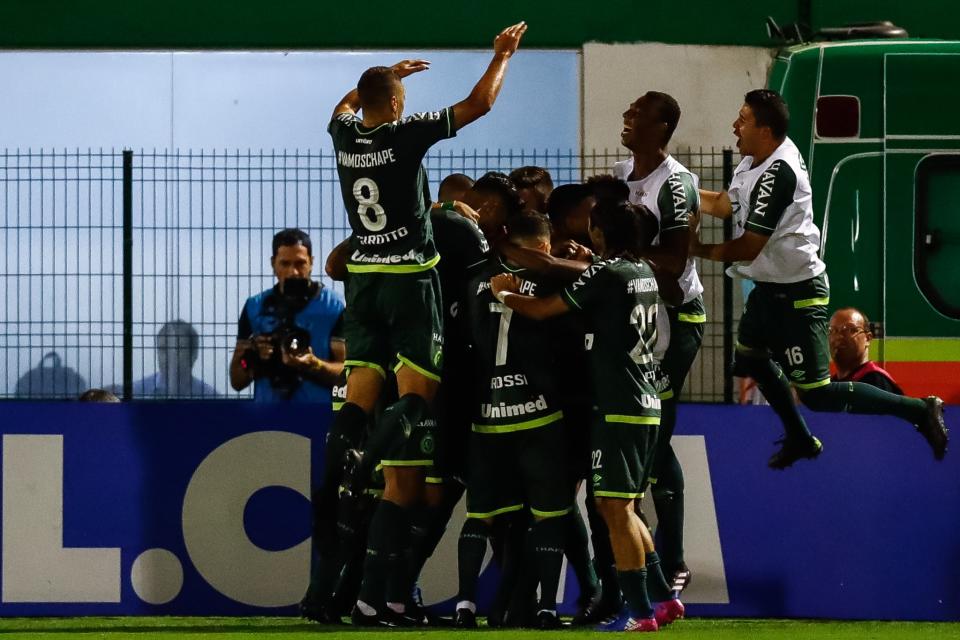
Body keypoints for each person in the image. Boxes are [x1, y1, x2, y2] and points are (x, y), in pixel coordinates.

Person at [326, 21, 528, 626]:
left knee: (364, 408)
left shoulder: (341, 134)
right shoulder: (404, 135)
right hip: (409, 281)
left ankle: (348, 473)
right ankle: (369, 462)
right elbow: (479, 104)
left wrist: (380, 77)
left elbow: (342, 105)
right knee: (418, 399)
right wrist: (502, 56)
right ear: (392, 106)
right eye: (400, 99)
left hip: (364, 281)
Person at [692, 89, 948, 466]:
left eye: (742, 119)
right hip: (769, 288)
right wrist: (681, 188)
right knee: (749, 357)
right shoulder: (752, 161)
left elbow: (749, 247)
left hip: (798, 295)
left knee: (817, 393)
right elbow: (725, 204)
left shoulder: (779, 171)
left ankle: (918, 410)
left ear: (765, 131)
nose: (735, 125)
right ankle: (799, 437)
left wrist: (696, 250)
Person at [490, 200, 684, 632]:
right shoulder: (641, 272)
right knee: (626, 508)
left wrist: (502, 291)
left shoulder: (607, 273)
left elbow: (542, 309)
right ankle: (665, 600)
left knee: (613, 510)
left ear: (598, 232)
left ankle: (639, 612)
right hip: (646, 403)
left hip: (619, 406)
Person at [454, 213, 571, 630]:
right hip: (539, 413)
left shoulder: (476, 283)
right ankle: (546, 608)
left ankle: (465, 604)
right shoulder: (552, 281)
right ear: (541, 247)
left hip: (488, 415)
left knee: (480, 516)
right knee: (548, 515)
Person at [612, 91, 704, 594]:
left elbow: (672, 267)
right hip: (637, 316)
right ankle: (642, 554)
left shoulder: (676, 185)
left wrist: (619, 258)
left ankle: (674, 559)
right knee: (644, 436)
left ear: (663, 125)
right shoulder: (619, 173)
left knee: (655, 432)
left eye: (638, 114)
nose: (626, 118)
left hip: (675, 318)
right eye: (627, 112)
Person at [230, 229, 345, 402]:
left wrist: (315, 365)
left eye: (300, 263)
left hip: (318, 414)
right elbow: (237, 380)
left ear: (311, 263)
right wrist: (253, 358)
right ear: (273, 263)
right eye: (285, 264)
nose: (294, 272)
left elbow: (347, 374)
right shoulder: (254, 307)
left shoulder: (334, 306)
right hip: (267, 415)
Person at [829, 307, 903, 394]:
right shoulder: (832, 385)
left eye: (850, 330)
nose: (838, 337)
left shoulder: (876, 382)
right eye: (833, 331)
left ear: (867, 339)